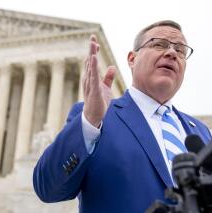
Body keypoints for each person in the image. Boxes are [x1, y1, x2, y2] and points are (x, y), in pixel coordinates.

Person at [32, 20, 212, 212]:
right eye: (159, 44)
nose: (172, 53)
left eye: (181, 50)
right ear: (132, 59)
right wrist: (90, 122)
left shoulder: (201, 133)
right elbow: (48, 188)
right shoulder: (96, 118)